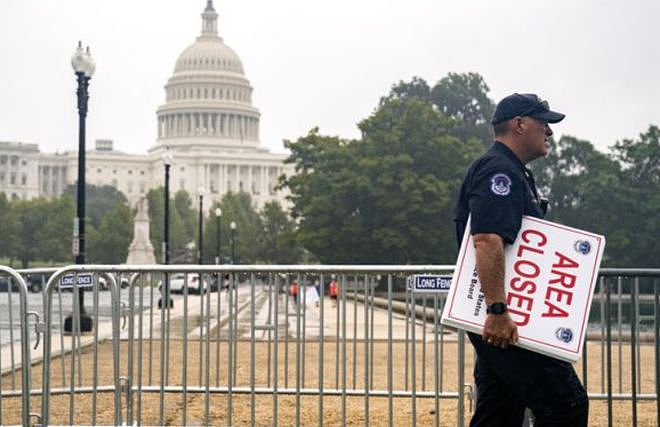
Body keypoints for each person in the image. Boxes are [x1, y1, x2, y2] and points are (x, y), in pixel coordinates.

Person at [453, 93, 588, 426]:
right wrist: (497, 310)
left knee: (499, 412)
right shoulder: (499, 171)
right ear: (520, 124)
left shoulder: (509, 170)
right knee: (566, 404)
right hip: (507, 318)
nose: (550, 132)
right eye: (544, 123)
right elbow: (486, 239)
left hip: (510, 317)